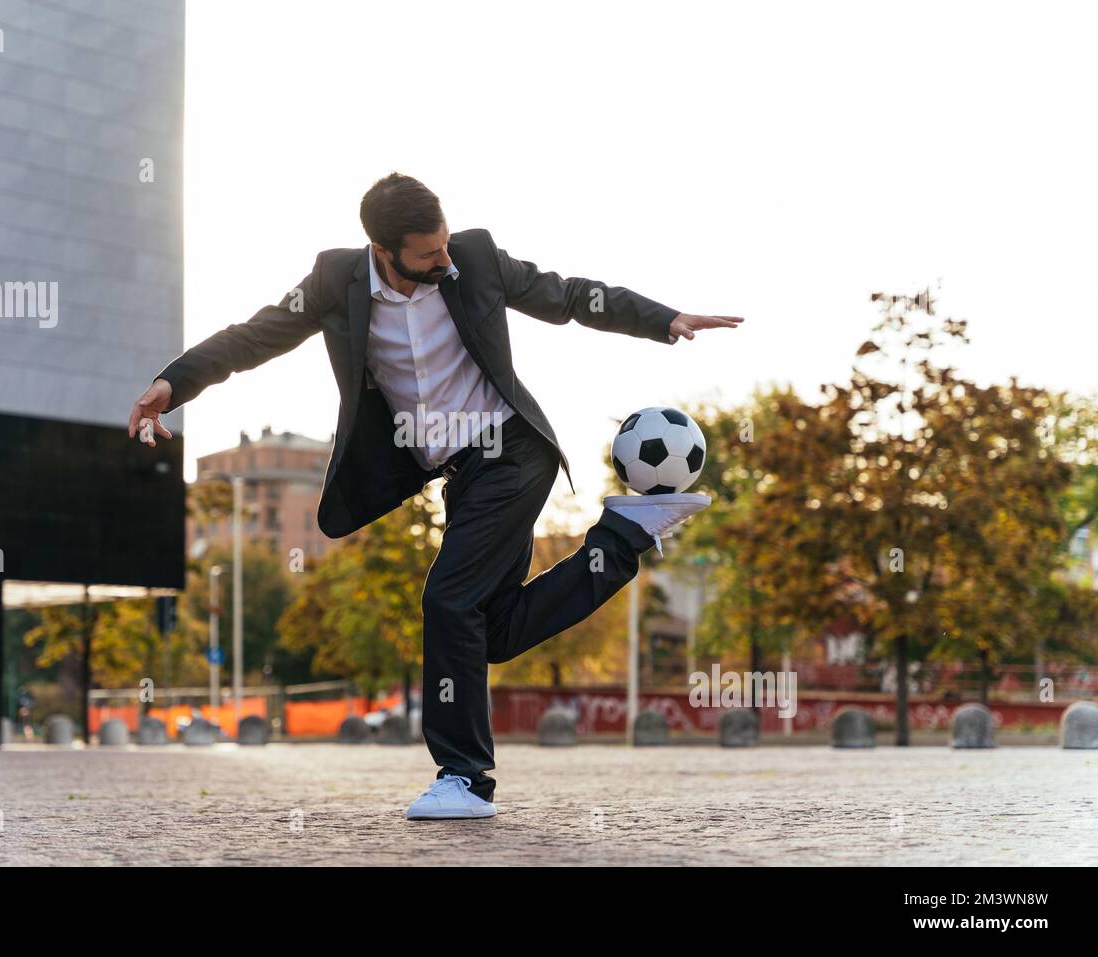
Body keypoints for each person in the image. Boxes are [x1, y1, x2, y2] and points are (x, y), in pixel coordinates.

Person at [128, 173, 743, 819]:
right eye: (428, 255)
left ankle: (465, 777)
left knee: (448, 599)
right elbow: (252, 337)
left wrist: (662, 318)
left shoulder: (475, 259)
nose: (444, 261)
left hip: (511, 452)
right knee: (488, 630)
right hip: (459, 472)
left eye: (445, 245)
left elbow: (565, 295)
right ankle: (626, 535)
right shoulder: (333, 280)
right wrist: (172, 385)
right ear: (382, 250)